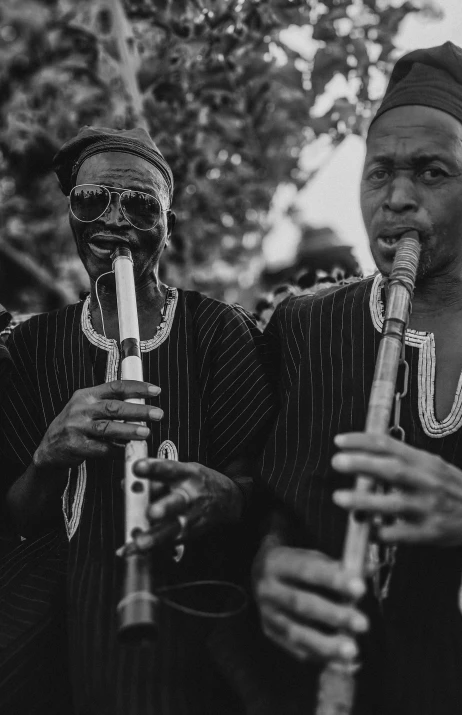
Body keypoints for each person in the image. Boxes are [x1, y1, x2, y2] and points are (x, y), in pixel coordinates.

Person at [250, 42, 462, 714]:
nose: (398, 199)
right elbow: (273, 496)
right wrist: (267, 563)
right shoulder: (305, 327)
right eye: (379, 175)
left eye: (432, 172)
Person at [0, 126, 276, 715]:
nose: (116, 219)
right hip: (67, 626)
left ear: (167, 225)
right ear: (71, 214)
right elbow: (18, 512)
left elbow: (265, 487)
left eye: (142, 204)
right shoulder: (30, 348)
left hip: (195, 619)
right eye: (93, 199)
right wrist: (50, 454)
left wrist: (223, 493)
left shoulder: (218, 331)